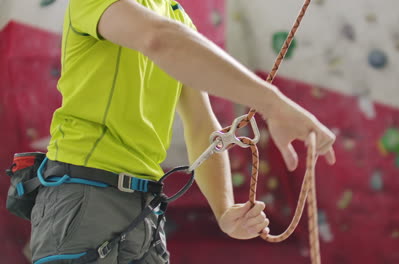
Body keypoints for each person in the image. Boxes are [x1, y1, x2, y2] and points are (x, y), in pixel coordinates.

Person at [30, 0, 336, 263]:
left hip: (145, 211)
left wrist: (225, 210)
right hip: (84, 193)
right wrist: (274, 104)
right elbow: (158, 39)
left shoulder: (175, 16)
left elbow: (201, 123)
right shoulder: (153, 24)